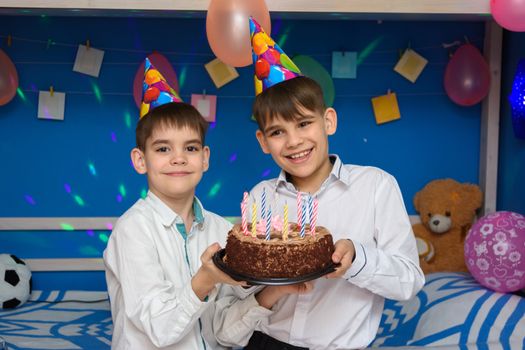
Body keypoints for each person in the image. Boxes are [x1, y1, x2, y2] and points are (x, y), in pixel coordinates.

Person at [213, 18, 425, 350]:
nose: (294, 141)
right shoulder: (261, 197)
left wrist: (358, 258)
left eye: (303, 123)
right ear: (263, 141)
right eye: (277, 132)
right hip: (266, 341)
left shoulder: (375, 187)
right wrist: (243, 264)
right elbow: (241, 289)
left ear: (328, 121)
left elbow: (409, 281)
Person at [103, 58, 244, 349]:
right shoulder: (133, 230)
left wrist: (270, 294)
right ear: (140, 160)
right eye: (163, 148)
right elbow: (160, 329)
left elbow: (224, 333)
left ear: (205, 158)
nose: (178, 158)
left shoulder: (221, 229)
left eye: (190, 148)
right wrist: (205, 278)